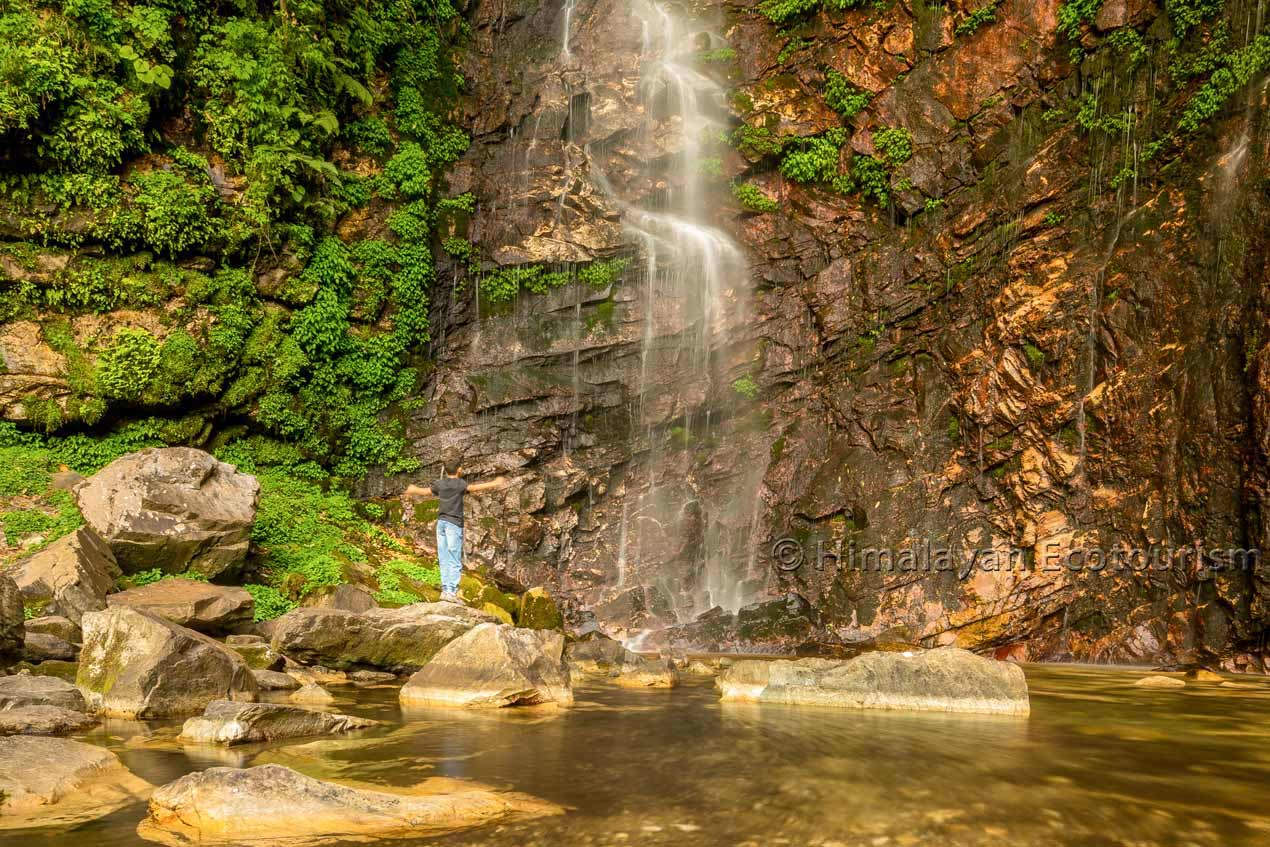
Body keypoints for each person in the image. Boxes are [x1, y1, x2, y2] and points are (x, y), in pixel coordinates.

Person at [402, 459, 507, 602]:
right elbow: (476, 488)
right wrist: (494, 483)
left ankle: (445, 591)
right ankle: (451, 593)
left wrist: (413, 489)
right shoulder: (460, 484)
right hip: (453, 525)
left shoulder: (440, 484)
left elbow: (425, 492)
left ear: (445, 471)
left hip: (441, 524)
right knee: (455, 558)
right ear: (459, 470)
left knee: (444, 557)